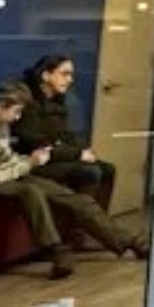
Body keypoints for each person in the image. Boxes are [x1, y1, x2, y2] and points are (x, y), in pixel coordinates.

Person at [0, 82, 147, 279]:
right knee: (30, 192)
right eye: (16, 112)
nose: (17, 119)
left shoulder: (0, 125)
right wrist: (26, 165)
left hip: (13, 176)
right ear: (0, 106)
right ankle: (55, 249)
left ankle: (129, 241)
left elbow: (7, 159)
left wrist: (29, 160)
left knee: (71, 198)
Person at [17, 55, 117, 205]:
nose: (70, 80)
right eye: (64, 74)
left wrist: (84, 149)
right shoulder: (29, 102)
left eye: (71, 75)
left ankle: (97, 218)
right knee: (89, 172)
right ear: (46, 76)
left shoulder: (57, 101)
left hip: (56, 155)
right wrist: (78, 154)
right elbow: (36, 143)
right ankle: (80, 221)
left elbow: (64, 134)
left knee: (108, 169)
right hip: (36, 161)